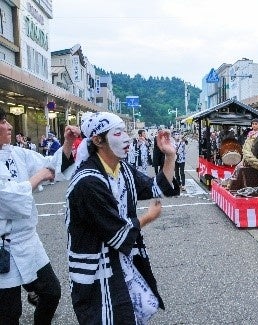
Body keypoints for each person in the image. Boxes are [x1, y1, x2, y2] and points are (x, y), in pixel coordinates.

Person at [65, 112, 180, 324]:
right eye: (118, 133)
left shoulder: (122, 168)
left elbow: (155, 187)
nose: (126, 138)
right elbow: (118, 234)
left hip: (119, 260)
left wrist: (170, 156)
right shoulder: (88, 182)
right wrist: (148, 217)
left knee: (138, 310)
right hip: (97, 269)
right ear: (98, 140)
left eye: (126, 132)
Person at [0, 107, 80, 324]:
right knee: (9, 313)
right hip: (2, 247)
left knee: (51, 292)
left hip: (27, 240)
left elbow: (50, 165)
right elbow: (6, 199)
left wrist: (67, 143)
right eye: (3, 122)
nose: (8, 126)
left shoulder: (16, 153)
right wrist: (38, 178)